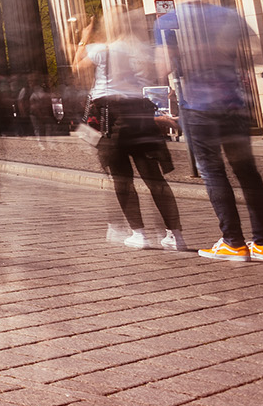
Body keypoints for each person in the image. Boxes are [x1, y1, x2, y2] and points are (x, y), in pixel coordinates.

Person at [162, 0, 263, 261]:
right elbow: (257, 52)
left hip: (199, 107)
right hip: (234, 105)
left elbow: (161, 66)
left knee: (213, 172)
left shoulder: (169, 20)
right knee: (247, 171)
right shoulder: (229, 14)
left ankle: (233, 242)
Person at [75, 13, 184, 251]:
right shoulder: (141, 49)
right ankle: (175, 235)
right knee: (154, 178)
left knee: (122, 178)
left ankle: (139, 234)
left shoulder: (102, 49)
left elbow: (77, 68)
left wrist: (83, 38)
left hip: (111, 115)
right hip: (139, 113)